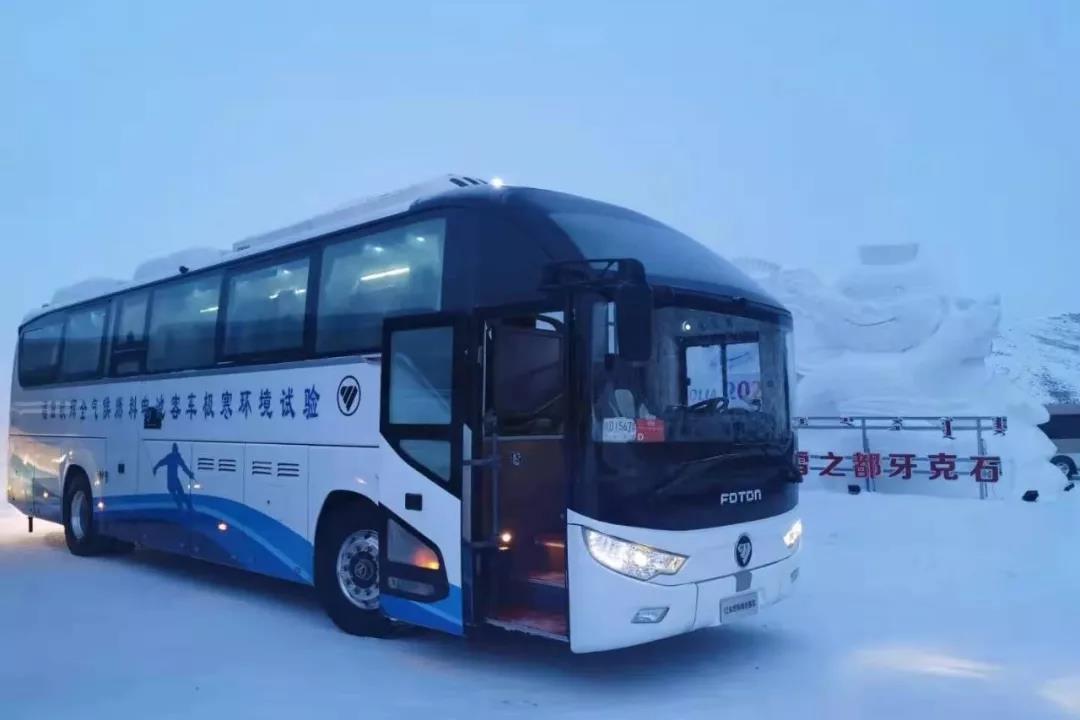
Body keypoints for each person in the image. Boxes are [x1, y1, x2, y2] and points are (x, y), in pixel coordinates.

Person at [154, 442, 194, 511]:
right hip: (172, 479)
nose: (175, 450)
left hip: (173, 479)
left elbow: (184, 467)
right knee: (177, 494)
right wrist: (155, 468)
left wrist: (189, 474)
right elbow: (161, 462)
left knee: (179, 494)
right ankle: (183, 507)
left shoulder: (175, 457)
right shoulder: (172, 457)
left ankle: (186, 507)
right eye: (175, 449)